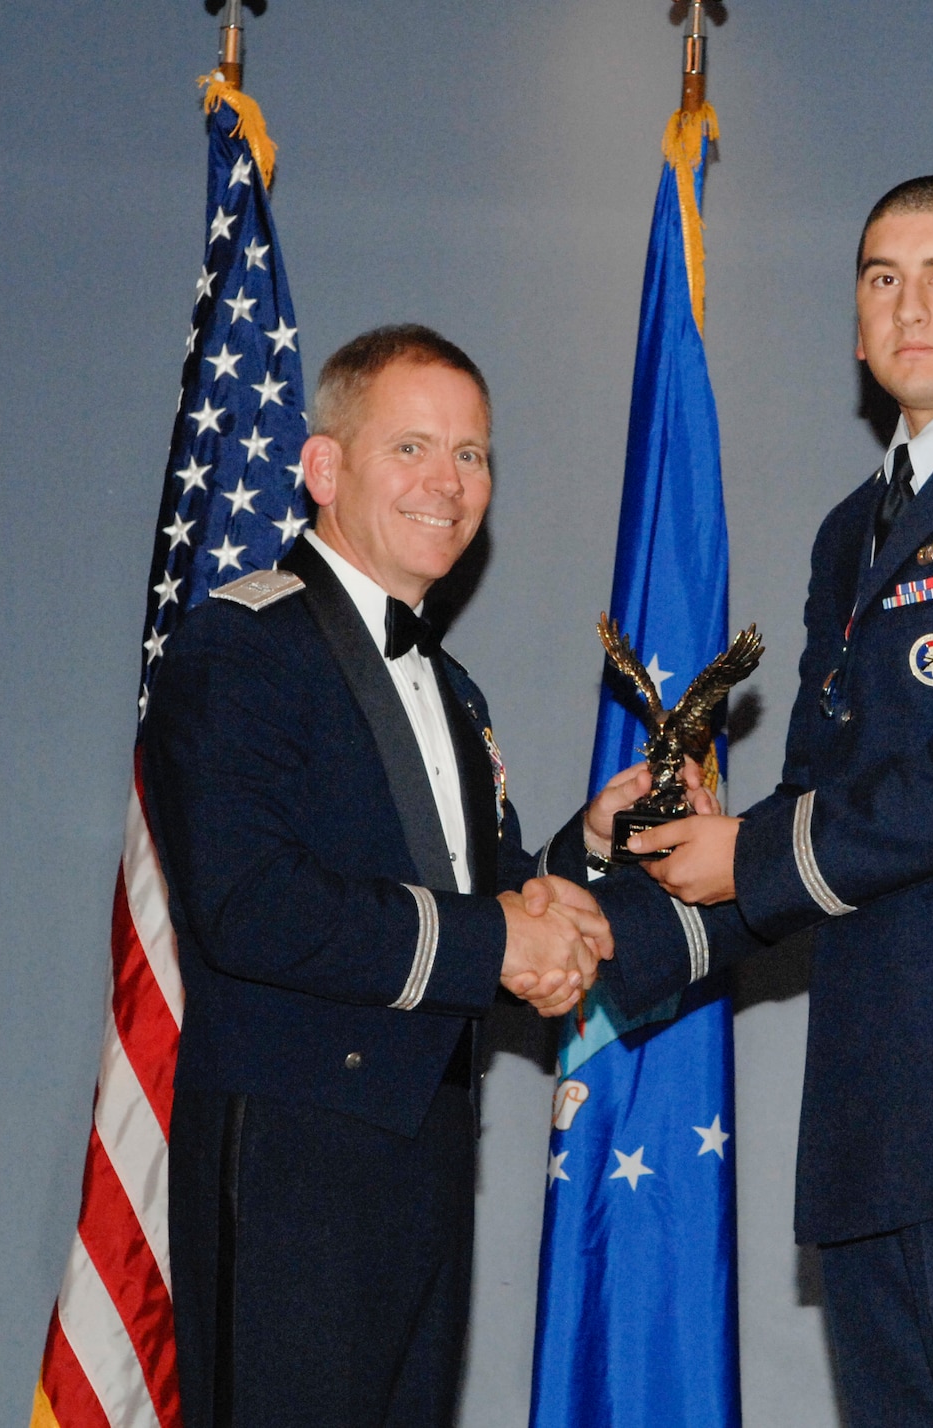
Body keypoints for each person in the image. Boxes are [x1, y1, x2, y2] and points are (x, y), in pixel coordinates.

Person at [552, 176, 933, 1428]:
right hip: (873, 1122)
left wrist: (753, 851)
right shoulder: (856, 531)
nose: (909, 305)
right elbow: (814, 804)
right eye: (880, 280)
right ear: (853, 325)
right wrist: (611, 899)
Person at [144, 325, 609, 1428]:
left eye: (472, 454)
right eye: (411, 447)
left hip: (426, 1152)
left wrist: (593, 845)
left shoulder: (452, 690)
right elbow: (248, 907)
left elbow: (484, 902)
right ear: (324, 468)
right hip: (292, 1156)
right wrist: (502, 940)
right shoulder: (238, 646)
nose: (447, 483)